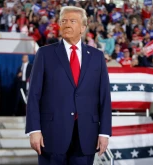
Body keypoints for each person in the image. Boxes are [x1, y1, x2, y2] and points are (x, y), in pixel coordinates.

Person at [25, 6, 111, 165]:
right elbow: (34, 95)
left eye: (72, 21)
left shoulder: (97, 57)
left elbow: (104, 97)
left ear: (83, 28)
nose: (66, 24)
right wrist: (34, 130)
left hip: (86, 136)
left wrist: (105, 132)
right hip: (51, 135)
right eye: (63, 21)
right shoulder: (44, 54)